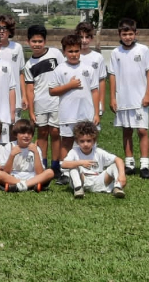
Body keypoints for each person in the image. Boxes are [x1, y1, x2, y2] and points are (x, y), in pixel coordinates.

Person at [108, 18, 149, 179]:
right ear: (119, 34)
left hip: (140, 98)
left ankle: (144, 165)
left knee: (142, 130)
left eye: (130, 34)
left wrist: (148, 93)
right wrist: (113, 98)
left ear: (136, 33)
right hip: (123, 98)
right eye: (124, 34)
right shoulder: (116, 53)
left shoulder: (143, 50)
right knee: (126, 130)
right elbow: (113, 75)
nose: (127, 37)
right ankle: (129, 163)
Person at [49, 34, 100, 185]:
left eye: (76, 51)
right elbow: (52, 91)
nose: (74, 54)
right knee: (67, 142)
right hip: (68, 113)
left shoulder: (88, 69)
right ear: (64, 52)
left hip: (86, 113)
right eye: (70, 51)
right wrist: (69, 86)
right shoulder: (60, 69)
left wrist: (97, 112)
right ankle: (65, 172)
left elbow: (95, 91)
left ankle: (89, 169)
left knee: (88, 142)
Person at [23, 25, 65, 176]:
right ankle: (42, 163)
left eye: (40, 41)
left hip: (57, 101)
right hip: (40, 103)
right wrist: (31, 111)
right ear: (28, 42)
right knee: (42, 132)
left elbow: (64, 73)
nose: (37, 44)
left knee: (55, 132)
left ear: (45, 41)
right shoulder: (29, 65)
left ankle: (56, 164)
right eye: (34, 41)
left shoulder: (55, 54)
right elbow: (29, 89)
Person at [62, 121, 127, 199]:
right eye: (82, 141)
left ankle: (118, 188)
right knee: (73, 167)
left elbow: (119, 160)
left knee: (114, 165)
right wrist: (81, 163)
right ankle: (78, 189)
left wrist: (122, 175)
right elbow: (64, 164)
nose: (85, 144)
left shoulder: (98, 152)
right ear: (76, 141)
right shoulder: (74, 151)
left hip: (98, 180)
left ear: (94, 141)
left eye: (89, 141)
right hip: (82, 180)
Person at [0, 119, 54, 193]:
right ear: (16, 134)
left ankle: (18, 186)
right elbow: (6, 172)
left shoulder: (36, 148)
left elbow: (39, 173)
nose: (26, 136)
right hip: (14, 176)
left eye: (29, 133)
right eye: (22, 133)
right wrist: (12, 155)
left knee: (50, 172)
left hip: (32, 177)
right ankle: (29, 185)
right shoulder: (9, 146)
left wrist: (36, 153)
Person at [0, 15, 27, 118]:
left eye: (5, 28)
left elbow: (20, 72)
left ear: (10, 31)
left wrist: (24, 96)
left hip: (14, 97)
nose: (2, 31)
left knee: (14, 130)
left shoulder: (17, 48)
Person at [75, 22, 107, 120]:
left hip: (93, 100)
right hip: (76, 100)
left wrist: (101, 102)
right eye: (81, 37)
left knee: (92, 131)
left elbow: (101, 81)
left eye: (87, 37)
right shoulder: (70, 56)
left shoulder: (98, 57)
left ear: (92, 38)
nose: (84, 40)